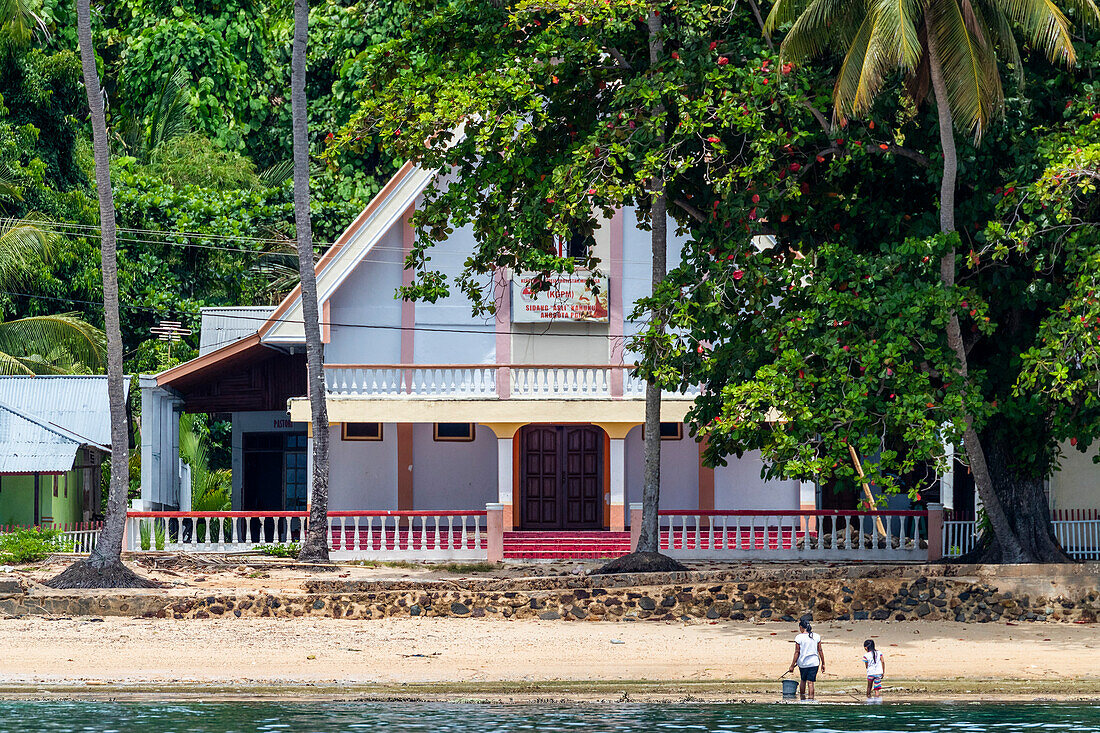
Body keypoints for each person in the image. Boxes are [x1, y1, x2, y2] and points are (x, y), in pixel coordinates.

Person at [788, 617, 825, 700]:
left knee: (803, 680)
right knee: (811, 683)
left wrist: (792, 665)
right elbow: (820, 650)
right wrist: (823, 663)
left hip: (803, 663)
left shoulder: (799, 637)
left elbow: (797, 652)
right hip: (814, 662)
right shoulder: (816, 636)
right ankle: (811, 700)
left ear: (801, 627)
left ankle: (802, 699)